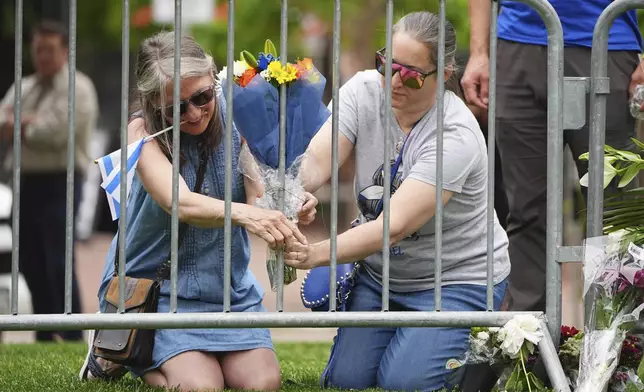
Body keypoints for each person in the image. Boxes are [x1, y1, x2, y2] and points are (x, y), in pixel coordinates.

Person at [286, 11, 511, 392]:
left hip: (456, 280)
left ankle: (481, 355)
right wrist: (296, 193)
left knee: (404, 383)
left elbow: (393, 227)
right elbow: (317, 161)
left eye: (410, 75)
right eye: (385, 64)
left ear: (445, 73)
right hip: (381, 277)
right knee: (346, 382)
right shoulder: (361, 90)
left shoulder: (455, 135)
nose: (393, 81)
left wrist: (311, 254)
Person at [79, 32, 313, 391]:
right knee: (202, 387)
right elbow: (180, 202)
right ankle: (126, 352)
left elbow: (258, 197)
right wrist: (251, 216)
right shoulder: (140, 131)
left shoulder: (241, 115)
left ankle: (144, 352)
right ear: (154, 104)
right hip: (158, 293)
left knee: (263, 384)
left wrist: (289, 207)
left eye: (203, 97)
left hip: (228, 291)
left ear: (212, 76)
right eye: (176, 108)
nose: (194, 112)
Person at [461, 0, 644, 315]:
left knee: (614, 212)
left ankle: (615, 347)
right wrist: (479, 51)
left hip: (606, 44)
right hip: (515, 45)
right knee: (524, 211)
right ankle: (526, 350)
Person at [0, 20, 98, 342]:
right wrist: (27, 123)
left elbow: (55, 133)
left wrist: (21, 125)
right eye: (38, 49)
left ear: (65, 51)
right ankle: (44, 332)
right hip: (26, 183)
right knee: (29, 259)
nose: (42, 56)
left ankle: (70, 335)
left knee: (57, 259)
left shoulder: (78, 86)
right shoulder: (25, 86)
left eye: (49, 49)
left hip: (62, 182)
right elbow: (3, 120)